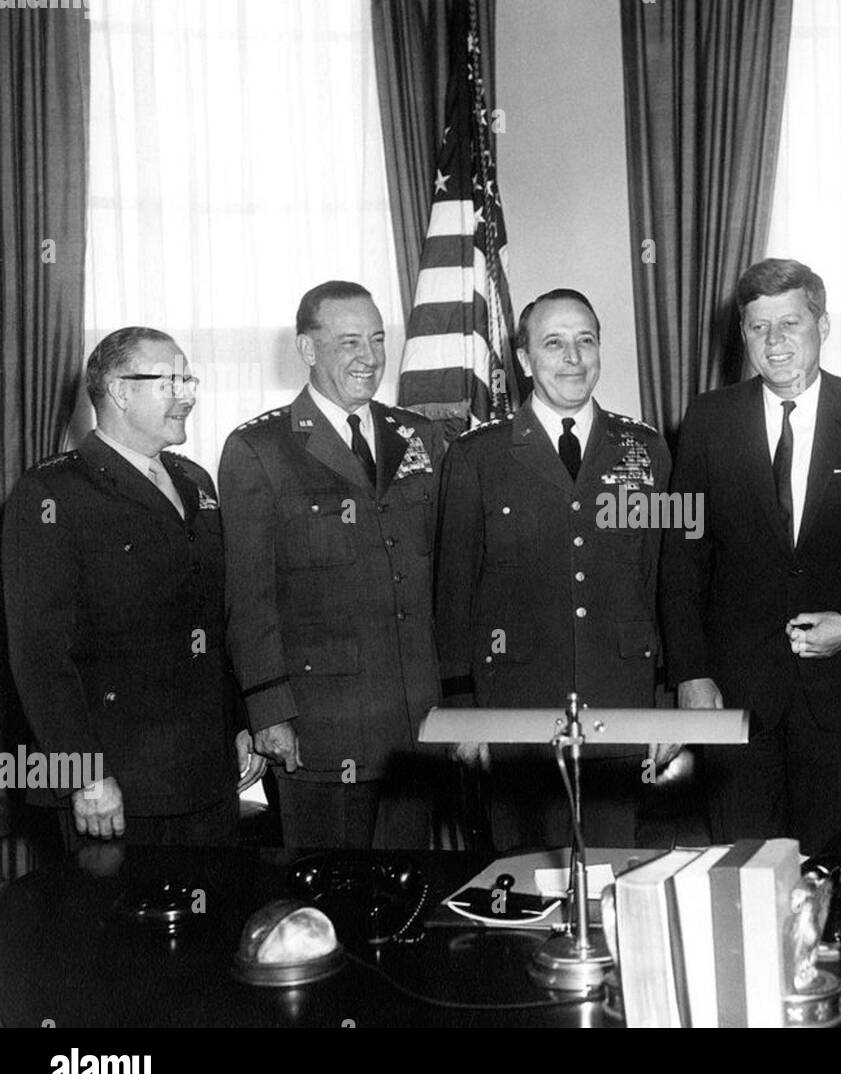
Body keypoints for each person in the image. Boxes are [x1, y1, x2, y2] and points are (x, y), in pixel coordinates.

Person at [659, 258, 841, 854]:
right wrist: (692, 675)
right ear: (742, 334)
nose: (774, 343)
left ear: (822, 327)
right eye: (757, 327)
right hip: (734, 692)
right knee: (742, 874)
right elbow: (682, 557)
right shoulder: (707, 419)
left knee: (831, 870)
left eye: (790, 324)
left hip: (839, 694)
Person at [435, 289, 671, 850]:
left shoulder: (647, 451)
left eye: (585, 341)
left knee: (615, 881)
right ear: (523, 360)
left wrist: (666, 706)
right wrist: (463, 711)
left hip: (622, 705)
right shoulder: (476, 457)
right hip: (516, 710)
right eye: (554, 343)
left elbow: (664, 582)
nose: (573, 357)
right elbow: (452, 595)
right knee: (522, 882)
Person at [3, 327, 255, 846]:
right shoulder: (52, 492)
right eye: (170, 380)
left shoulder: (195, 481)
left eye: (189, 379)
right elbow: (39, 654)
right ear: (119, 391)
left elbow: (213, 617)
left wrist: (238, 723)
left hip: (205, 774)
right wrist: (82, 775)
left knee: (213, 916)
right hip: (116, 784)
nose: (187, 394)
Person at [219, 281, 442, 849]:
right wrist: (268, 710)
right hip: (320, 727)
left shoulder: (422, 437)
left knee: (409, 893)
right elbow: (249, 597)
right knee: (328, 904)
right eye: (348, 343)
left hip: (417, 723)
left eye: (376, 339)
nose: (369, 358)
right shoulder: (260, 449)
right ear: (308, 349)